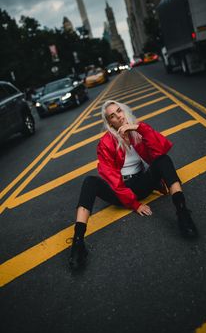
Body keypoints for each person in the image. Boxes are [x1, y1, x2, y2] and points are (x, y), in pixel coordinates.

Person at [69, 100, 198, 270]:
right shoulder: (106, 143)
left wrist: (139, 128)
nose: (118, 116)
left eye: (119, 111)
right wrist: (134, 204)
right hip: (120, 191)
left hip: (142, 183)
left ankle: (183, 214)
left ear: (124, 110)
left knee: (163, 160)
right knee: (89, 182)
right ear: (110, 123)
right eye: (112, 116)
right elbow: (113, 180)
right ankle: (78, 244)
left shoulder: (138, 129)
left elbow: (161, 149)